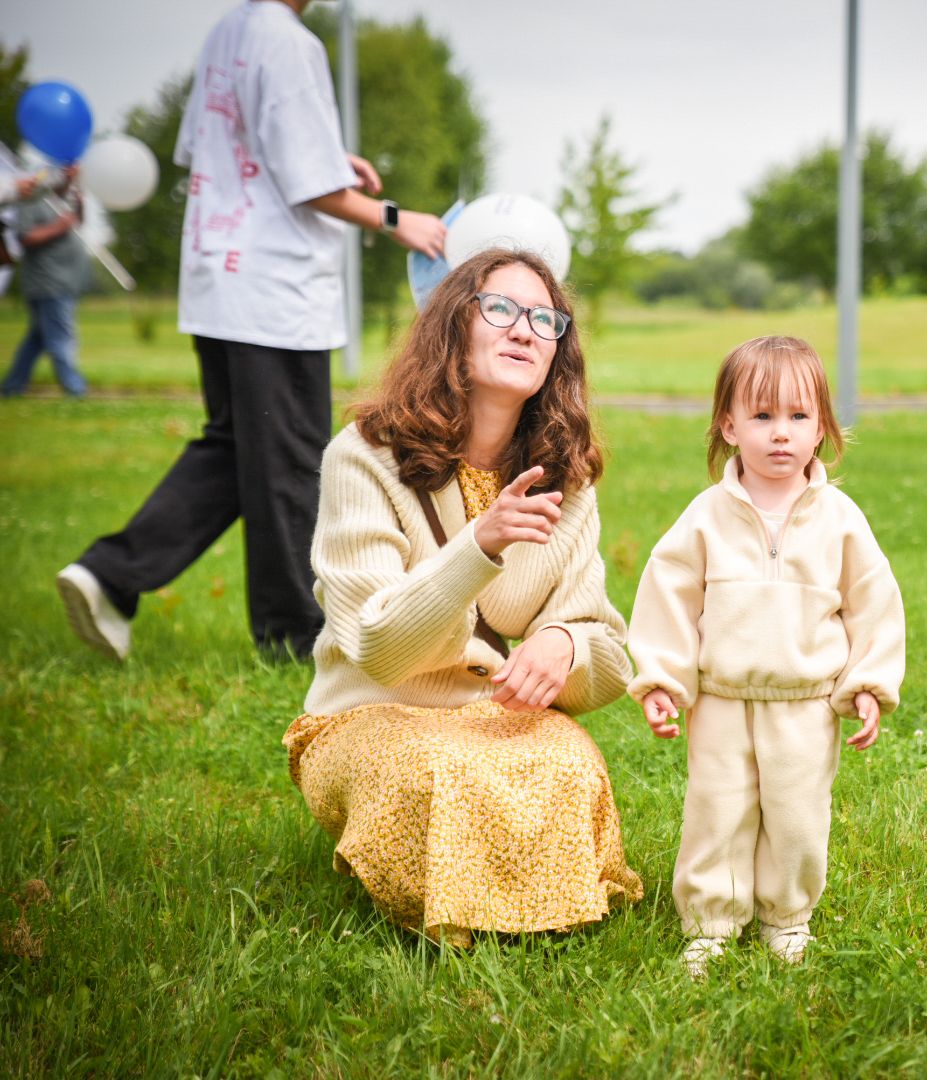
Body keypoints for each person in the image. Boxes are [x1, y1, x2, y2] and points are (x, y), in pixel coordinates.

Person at [55, 0, 446, 662]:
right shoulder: (289, 42)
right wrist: (393, 217)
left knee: (238, 451)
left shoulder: (229, 31)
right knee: (290, 463)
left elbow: (227, 146)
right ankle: (296, 638)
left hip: (219, 278)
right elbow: (306, 184)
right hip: (274, 289)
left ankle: (111, 576)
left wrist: (328, 155)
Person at [281, 246, 642, 944]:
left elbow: (609, 655)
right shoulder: (364, 456)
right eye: (500, 309)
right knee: (437, 770)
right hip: (373, 713)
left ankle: (530, 909)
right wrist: (480, 546)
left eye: (546, 319)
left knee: (569, 760)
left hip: (493, 716)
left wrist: (565, 644)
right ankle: (455, 910)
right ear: (453, 326)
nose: (525, 329)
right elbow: (382, 650)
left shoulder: (566, 480)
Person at [627, 336, 905, 977]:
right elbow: (669, 597)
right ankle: (711, 922)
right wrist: (664, 679)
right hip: (722, 699)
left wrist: (867, 681)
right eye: (762, 416)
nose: (781, 435)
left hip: (805, 703)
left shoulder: (838, 518)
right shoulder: (706, 517)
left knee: (797, 813)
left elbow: (872, 603)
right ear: (729, 425)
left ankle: (787, 916)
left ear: (822, 428)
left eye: (798, 417)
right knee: (717, 811)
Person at [1, 168, 89, 399]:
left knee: (37, 338)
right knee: (60, 337)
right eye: (66, 173)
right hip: (47, 282)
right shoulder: (32, 200)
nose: (71, 177)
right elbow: (25, 237)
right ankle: (75, 388)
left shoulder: (63, 201)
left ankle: (12, 387)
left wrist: (80, 208)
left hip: (63, 282)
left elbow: (76, 223)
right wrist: (59, 226)